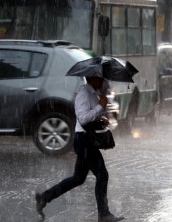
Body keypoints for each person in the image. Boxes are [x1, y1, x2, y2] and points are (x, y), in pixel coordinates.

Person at [35, 76, 124, 222]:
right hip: (84, 141)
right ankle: (104, 214)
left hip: (86, 140)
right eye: (100, 77)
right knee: (102, 175)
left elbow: (89, 118)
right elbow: (83, 119)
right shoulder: (84, 94)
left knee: (78, 178)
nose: (103, 80)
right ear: (92, 78)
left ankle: (44, 197)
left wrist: (101, 118)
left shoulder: (93, 93)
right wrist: (100, 107)